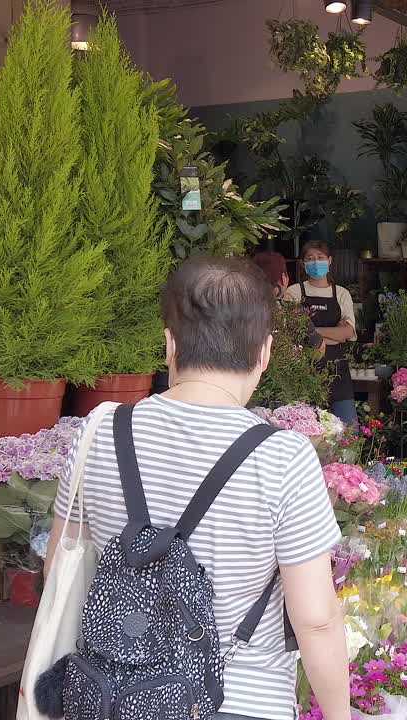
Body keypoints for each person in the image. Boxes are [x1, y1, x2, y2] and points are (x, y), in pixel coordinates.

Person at [46, 257, 349, 720]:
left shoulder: (98, 432)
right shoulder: (283, 457)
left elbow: (60, 574)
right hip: (241, 701)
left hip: (113, 698)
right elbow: (317, 619)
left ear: (169, 344)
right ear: (265, 352)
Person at [283, 241, 359, 424]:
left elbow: (347, 333)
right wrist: (334, 333)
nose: (315, 262)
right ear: (303, 263)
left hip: (337, 372)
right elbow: (294, 333)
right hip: (304, 372)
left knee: (349, 431)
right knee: (307, 429)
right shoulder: (294, 292)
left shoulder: (341, 293)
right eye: (310, 258)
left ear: (330, 261)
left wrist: (311, 330)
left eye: (320, 258)